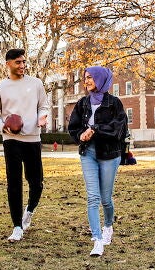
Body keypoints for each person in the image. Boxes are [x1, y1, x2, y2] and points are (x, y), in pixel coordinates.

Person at [0, 49, 49, 243]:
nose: (22, 66)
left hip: (32, 139)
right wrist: (2, 127)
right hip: (11, 140)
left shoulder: (36, 83)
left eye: (23, 62)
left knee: (36, 182)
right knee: (14, 183)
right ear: (8, 64)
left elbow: (44, 106)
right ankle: (16, 227)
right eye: (17, 62)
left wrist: (42, 117)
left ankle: (29, 211)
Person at [68, 66, 127, 257]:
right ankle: (97, 239)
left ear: (101, 79)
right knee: (92, 198)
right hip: (88, 153)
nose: (86, 81)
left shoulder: (114, 103)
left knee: (105, 199)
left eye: (90, 78)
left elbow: (118, 129)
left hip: (110, 154)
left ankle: (108, 225)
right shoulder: (82, 103)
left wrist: (95, 129)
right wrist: (81, 136)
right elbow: (73, 127)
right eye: (85, 78)